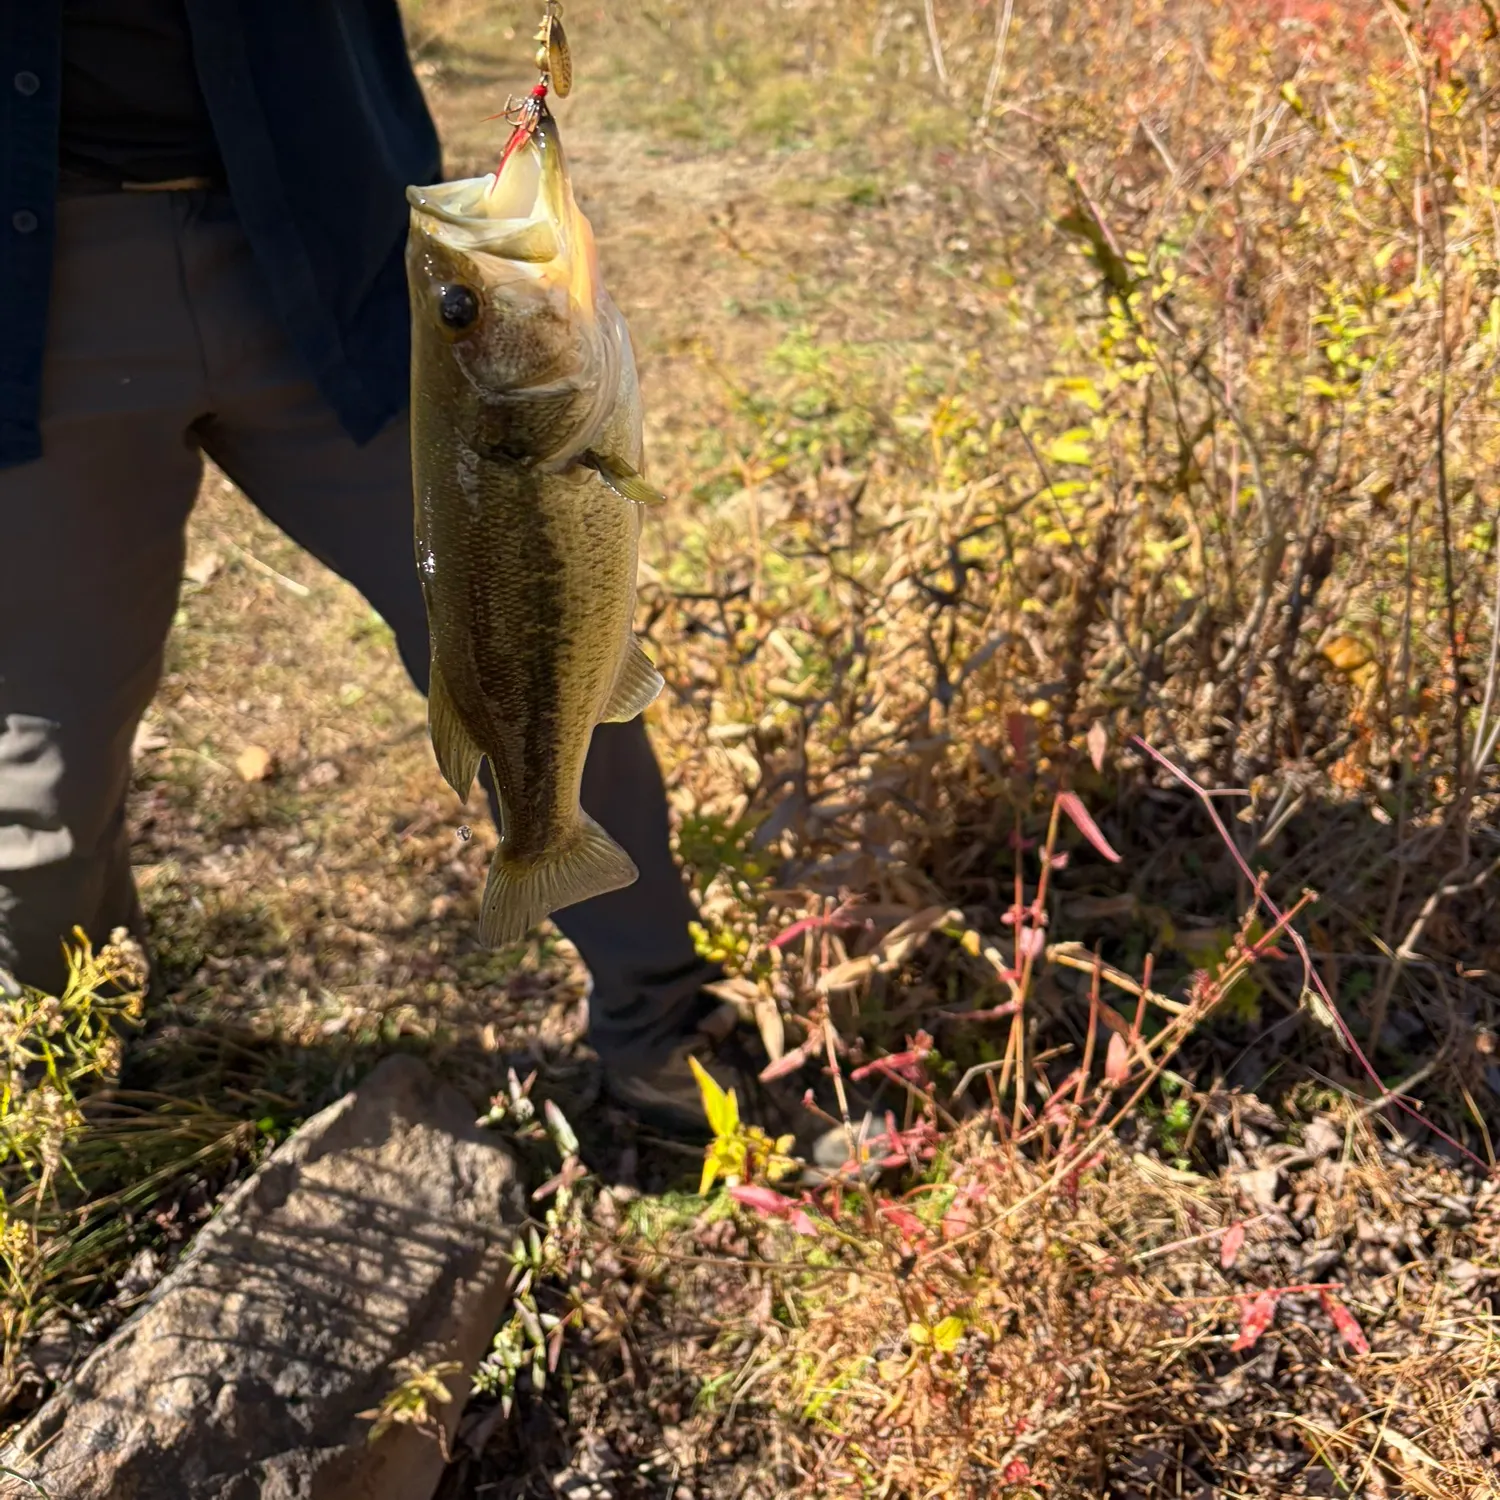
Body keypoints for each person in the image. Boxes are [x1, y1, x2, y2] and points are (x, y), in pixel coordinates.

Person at [0, 1, 876, 1160]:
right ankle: (64, 1083)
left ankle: (665, 1025)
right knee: (46, 778)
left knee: (553, 646)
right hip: (33, 288)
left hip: (334, 237)